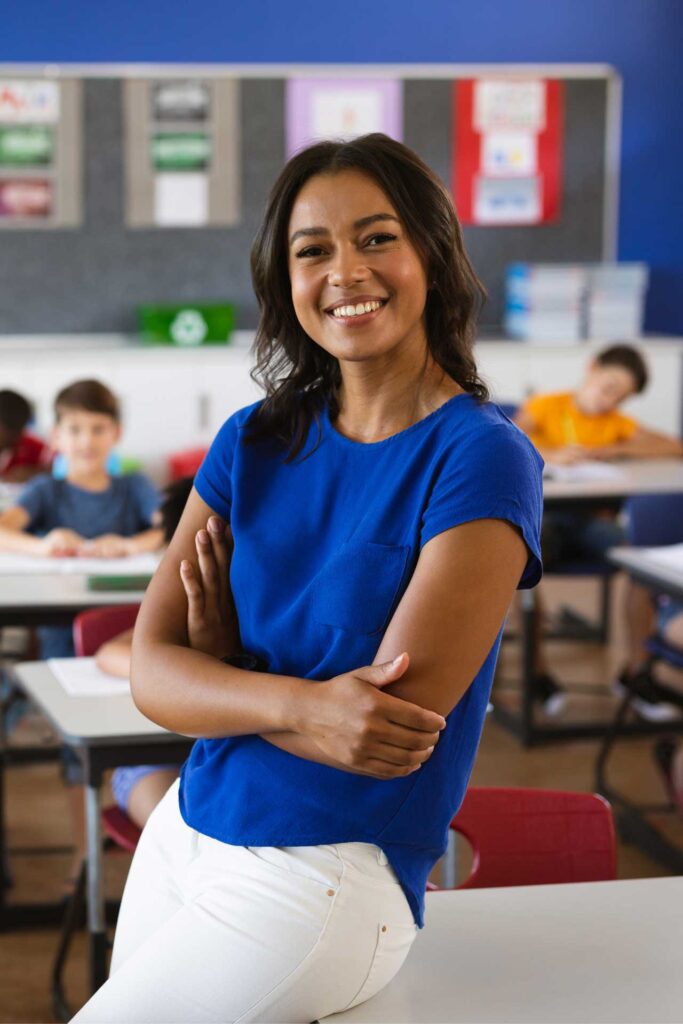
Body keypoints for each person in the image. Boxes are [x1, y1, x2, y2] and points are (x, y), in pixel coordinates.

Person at [73, 133, 542, 1024]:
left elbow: (386, 732)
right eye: (311, 249)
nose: (344, 272)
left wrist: (225, 680)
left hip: (325, 872)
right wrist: (298, 703)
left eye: (375, 238)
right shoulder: (251, 440)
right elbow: (150, 671)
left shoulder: (480, 456)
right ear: (283, 280)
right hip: (188, 825)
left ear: (431, 256)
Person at [0, 378, 164, 889]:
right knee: (80, 750)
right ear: (55, 434)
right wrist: (44, 545)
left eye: (97, 429)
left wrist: (130, 541)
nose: (86, 440)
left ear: (115, 433)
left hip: (129, 633)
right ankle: (82, 852)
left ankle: (143, 844)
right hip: (63, 641)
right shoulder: (45, 490)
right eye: (74, 429)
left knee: (139, 733)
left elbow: (167, 527)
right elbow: (5, 528)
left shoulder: (131, 487)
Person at [513, 345, 683, 713]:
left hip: (590, 523)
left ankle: (635, 673)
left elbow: (673, 446)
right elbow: (512, 437)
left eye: (619, 397)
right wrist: (552, 454)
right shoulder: (547, 406)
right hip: (543, 517)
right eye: (607, 387)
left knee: (640, 561)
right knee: (515, 560)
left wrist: (611, 452)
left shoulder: (614, 425)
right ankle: (538, 672)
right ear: (592, 368)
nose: (608, 401)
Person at [94, 477, 194, 829]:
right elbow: (110, 653)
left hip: (241, 759)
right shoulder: (178, 601)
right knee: (176, 834)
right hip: (156, 761)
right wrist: (184, 674)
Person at [0, 388, 52, 482]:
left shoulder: (31, 445)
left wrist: (37, 472)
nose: (17, 437)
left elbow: (59, 468)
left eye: (19, 430)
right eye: (7, 431)